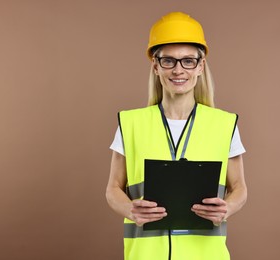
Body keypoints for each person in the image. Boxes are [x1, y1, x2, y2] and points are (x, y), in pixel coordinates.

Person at [106, 11, 247, 260]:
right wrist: (130, 209)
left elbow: (239, 188)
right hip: (145, 255)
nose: (178, 70)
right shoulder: (131, 123)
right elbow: (113, 189)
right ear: (156, 66)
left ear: (200, 66)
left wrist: (227, 208)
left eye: (188, 61)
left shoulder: (224, 124)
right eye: (168, 61)